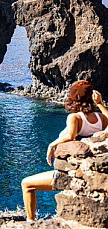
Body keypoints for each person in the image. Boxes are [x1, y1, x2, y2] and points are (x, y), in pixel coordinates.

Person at [21, 80, 108, 222]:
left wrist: (51, 144)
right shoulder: (101, 118)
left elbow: (70, 135)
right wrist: (100, 104)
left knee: (26, 184)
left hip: (67, 173)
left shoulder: (74, 117)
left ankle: (31, 222)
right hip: (85, 173)